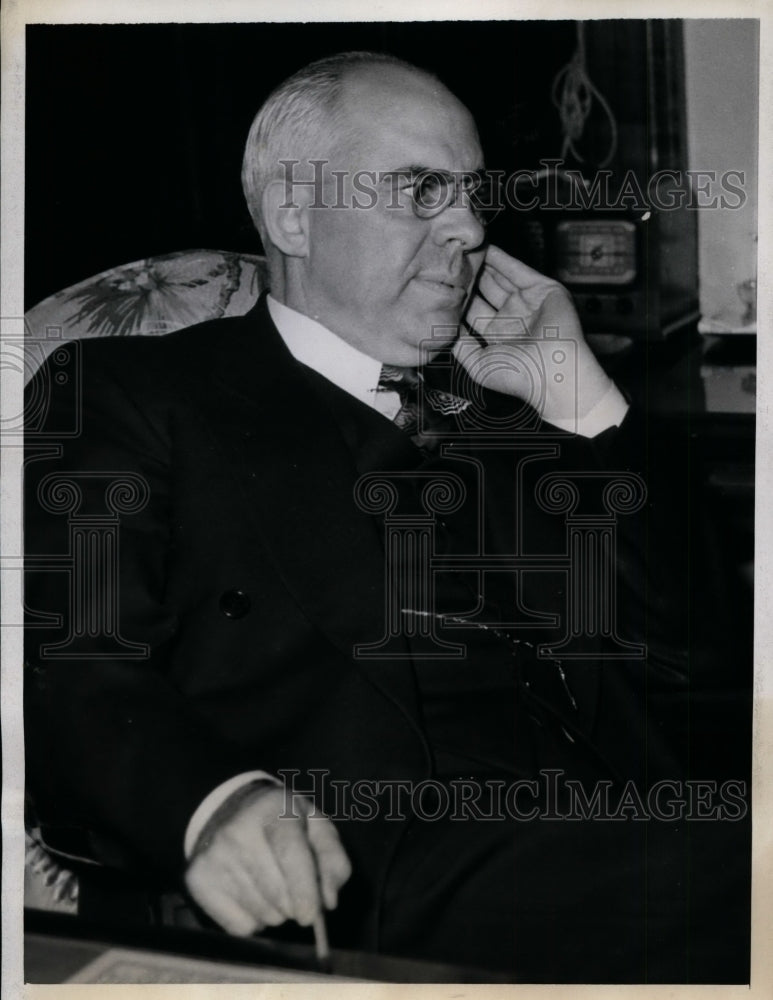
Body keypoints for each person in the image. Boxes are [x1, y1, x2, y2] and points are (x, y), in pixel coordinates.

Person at [24, 52, 749, 981]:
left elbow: (704, 657)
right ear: (293, 211)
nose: (471, 229)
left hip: (627, 843)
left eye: (473, 196)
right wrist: (210, 804)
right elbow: (68, 662)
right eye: (421, 190)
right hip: (365, 869)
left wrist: (585, 400)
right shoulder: (135, 394)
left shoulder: (507, 408)